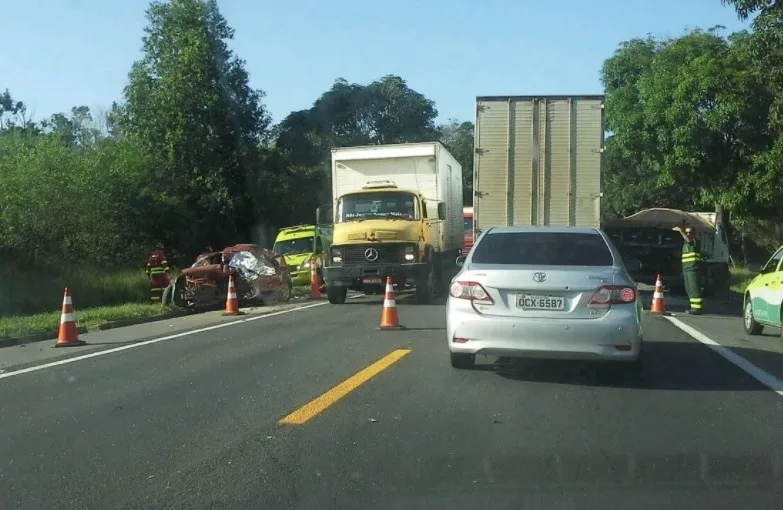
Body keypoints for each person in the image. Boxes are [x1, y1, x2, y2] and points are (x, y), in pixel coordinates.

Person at [673, 225, 703, 315]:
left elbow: (689, 240)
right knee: (688, 289)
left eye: (690, 232)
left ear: (694, 233)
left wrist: (680, 231)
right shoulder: (685, 245)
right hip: (687, 269)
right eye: (687, 232)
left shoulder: (695, 241)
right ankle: (693, 307)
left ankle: (697, 309)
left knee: (694, 288)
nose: (688, 234)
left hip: (693, 269)